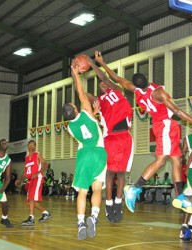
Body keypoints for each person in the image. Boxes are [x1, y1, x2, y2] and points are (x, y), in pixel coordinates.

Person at [94, 50, 192, 213]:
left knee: (177, 160)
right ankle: (135, 188)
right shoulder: (158, 93)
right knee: (161, 160)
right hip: (165, 125)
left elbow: (117, 78)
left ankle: (179, 196)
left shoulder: (135, 90)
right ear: (147, 80)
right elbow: (176, 111)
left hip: (161, 125)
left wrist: (102, 63)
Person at [62, 58, 107, 240]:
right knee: (97, 189)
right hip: (98, 153)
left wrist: (93, 115)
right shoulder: (87, 110)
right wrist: (74, 72)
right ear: (75, 108)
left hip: (83, 155)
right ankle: (93, 218)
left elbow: (84, 126)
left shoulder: (69, 127)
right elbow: (80, 90)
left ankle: (80, 222)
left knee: (82, 192)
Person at [86, 53, 134, 223]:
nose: (102, 83)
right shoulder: (99, 100)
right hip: (111, 137)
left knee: (121, 173)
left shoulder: (118, 90)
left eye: (104, 82)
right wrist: (76, 74)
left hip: (126, 137)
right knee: (110, 172)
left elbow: (103, 76)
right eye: (100, 84)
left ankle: (118, 203)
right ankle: (108, 203)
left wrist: (92, 64)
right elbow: (84, 96)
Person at [15, 139, 52, 226]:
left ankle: (31, 218)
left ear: (35, 147)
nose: (31, 146)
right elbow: (25, 171)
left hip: (37, 178)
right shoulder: (27, 158)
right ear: (28, 146)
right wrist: (19, 179)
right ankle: (45, 213)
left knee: (31, 198)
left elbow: (46, 164)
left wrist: (38, 173)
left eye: (33, 145)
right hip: (30, 180)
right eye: (29, 145)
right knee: (30, 201)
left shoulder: (37, 154)